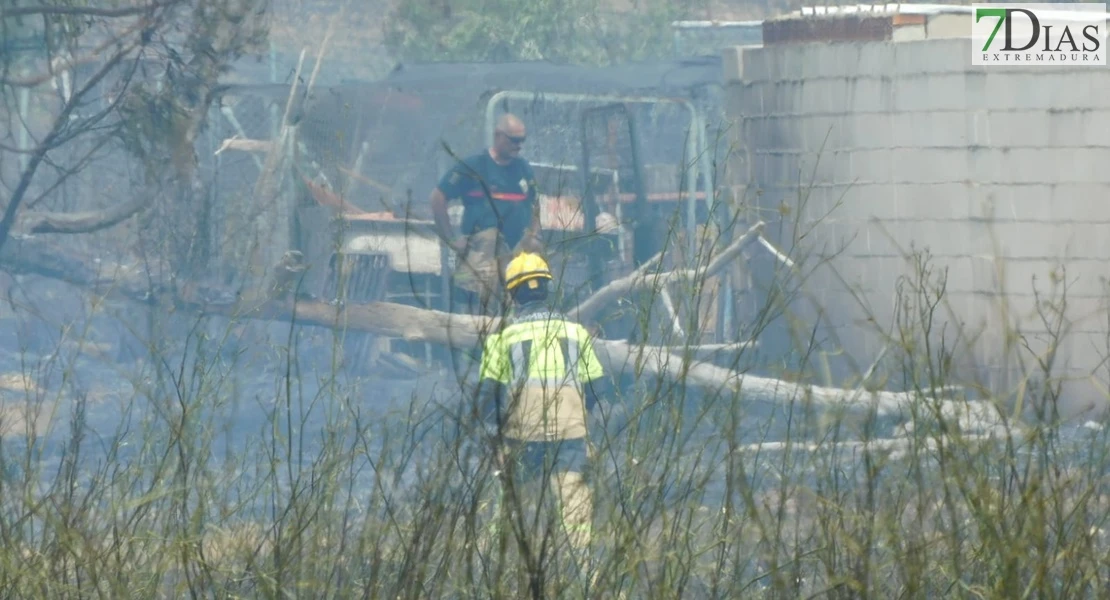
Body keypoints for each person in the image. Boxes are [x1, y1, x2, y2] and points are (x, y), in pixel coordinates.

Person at [474, 251, 613, 575]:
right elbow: (599, 391)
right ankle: (585, 577)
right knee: (576, 510)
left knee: (504, 508)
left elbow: (487, 398)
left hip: (521, 438)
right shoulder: (577, 334)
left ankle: (484, 574)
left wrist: (494, 441)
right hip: (570, 438)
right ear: (548, 290)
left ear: (512, 294)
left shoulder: (503, 338)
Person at [430, 113, 543, 316]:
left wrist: (533, 234)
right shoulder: (473, 166)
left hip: (516, 253)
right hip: (481, 252)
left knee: (514, 309)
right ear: (498, 135)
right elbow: (438, 198)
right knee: (476, 313)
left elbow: (535, 202)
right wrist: (452, 239)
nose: (519, 146)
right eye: (514, 140)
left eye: (522, 141)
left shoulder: (523, 168)